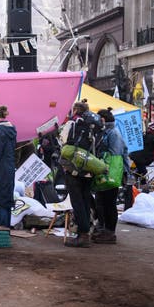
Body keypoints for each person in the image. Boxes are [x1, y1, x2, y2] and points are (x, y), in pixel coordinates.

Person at [62, 101, 98, 248]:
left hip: (74, 167)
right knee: (85, 199)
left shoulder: (73, 123)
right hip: (89, 166)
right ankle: (86, 232)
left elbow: (63, 142)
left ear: (76, 110)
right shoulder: (92, 125)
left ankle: (82, 235)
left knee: (77, 201)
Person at [92, 109, 128, 244]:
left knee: (109, 203)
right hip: (103, 172)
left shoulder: (113, 134)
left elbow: (116, 156)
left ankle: (110, 232)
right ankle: (103, 228)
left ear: (103, 120)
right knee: (101, 202)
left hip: (111, 173)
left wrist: (107, 168)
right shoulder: (104, 133)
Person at [129, 121, 154, 185]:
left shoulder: (148, 135)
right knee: (143, 172)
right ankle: (141, 187)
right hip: (139, 158)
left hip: (137, 156)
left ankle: (138, 183)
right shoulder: (153, 137)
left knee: (141, 172)